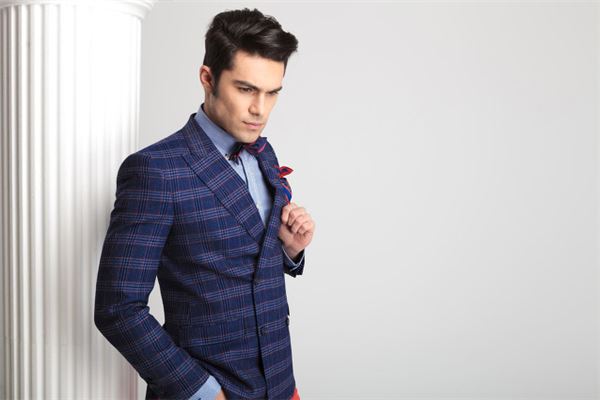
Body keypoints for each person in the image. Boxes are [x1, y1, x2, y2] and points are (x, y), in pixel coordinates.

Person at [94, 8, 315, 400]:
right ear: (208, 78)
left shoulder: (263, 153)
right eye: (246, 89)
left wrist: (290, 250)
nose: (260, 109)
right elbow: (118, 308)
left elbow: (249, 259)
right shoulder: (155, 170)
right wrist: (202, 391)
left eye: (272, 93)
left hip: (282, 384)